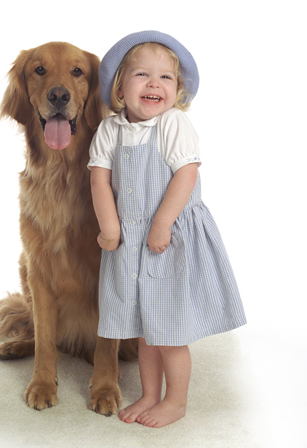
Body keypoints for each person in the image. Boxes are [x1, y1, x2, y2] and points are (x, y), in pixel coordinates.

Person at [88, 30, 246, 428]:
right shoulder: (110, 130)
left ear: (178, 91)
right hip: (130, 244)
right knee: (144, 330)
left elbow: (186, 176)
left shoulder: (173, 124)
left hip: (169, 239)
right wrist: (110, 227)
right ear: (120, 88)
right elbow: (100, 181)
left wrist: (162, 224)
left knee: (169, 331)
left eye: (166, 78)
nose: (154, 84)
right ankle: (149, 394)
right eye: (142, 75)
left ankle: (175, 401)